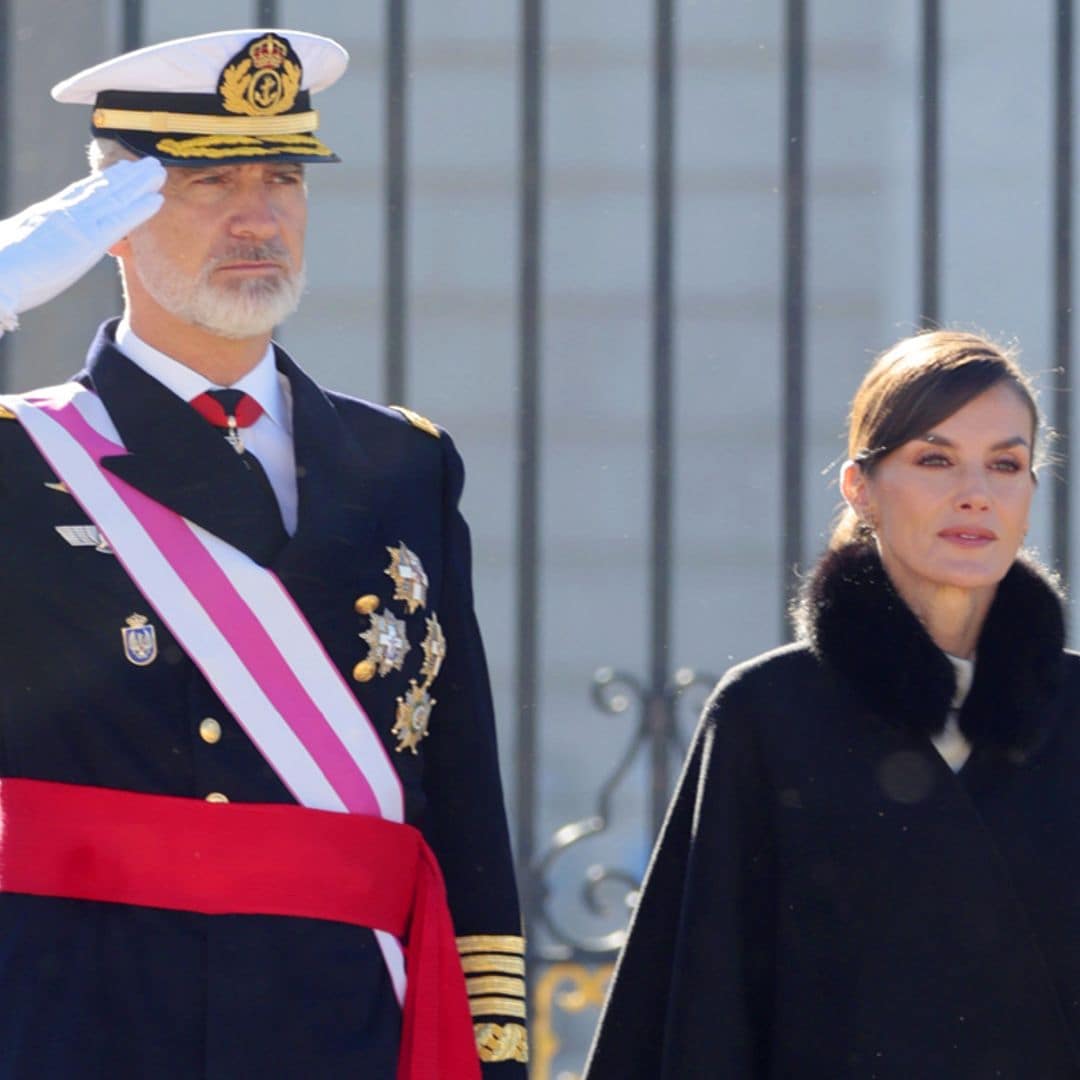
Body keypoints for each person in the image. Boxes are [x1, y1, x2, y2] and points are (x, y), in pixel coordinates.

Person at [0, 28, 527, 1078]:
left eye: (282, 177)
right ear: (113, 220)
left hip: (341, 1016)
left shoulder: (402, 461)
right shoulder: (24, 458)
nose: (257, 216)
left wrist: (492, 1038)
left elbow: (460, 776)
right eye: (207, 181)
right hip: (83, 1011)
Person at [584, 330, 1080, 1078]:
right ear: (861, 488)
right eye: (934, 459)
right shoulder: (768, 715)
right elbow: (701, 1011)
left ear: (1031, 495)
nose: (975, 492)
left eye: (1005, 464)